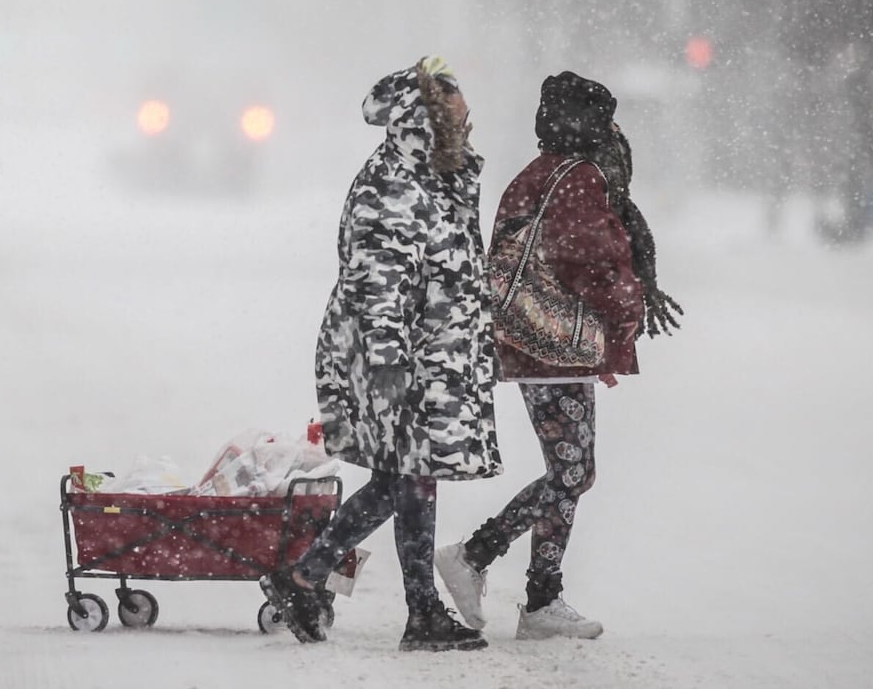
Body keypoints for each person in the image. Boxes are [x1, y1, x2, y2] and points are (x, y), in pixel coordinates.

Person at [261, 56, 503, 652]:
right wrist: (389, 363)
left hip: (427, 354)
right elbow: (379, 284)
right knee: (412, 476)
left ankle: (307, 575)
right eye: (456, 113)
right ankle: (419, 611)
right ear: (422, 118)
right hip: (390, 355)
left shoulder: (434, 179)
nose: (467, 122)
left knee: (401, 478)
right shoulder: (393, 185)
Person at [434, 70, 681, 640]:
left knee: (571, 471)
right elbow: (588, 257)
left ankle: (529, 588)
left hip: (540, 342)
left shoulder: (544, 172)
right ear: (590, 125)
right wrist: (626, 306)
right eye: (606, 119)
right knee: (572, 471)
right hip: (550, 345)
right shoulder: (578, 177)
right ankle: (483, 561)